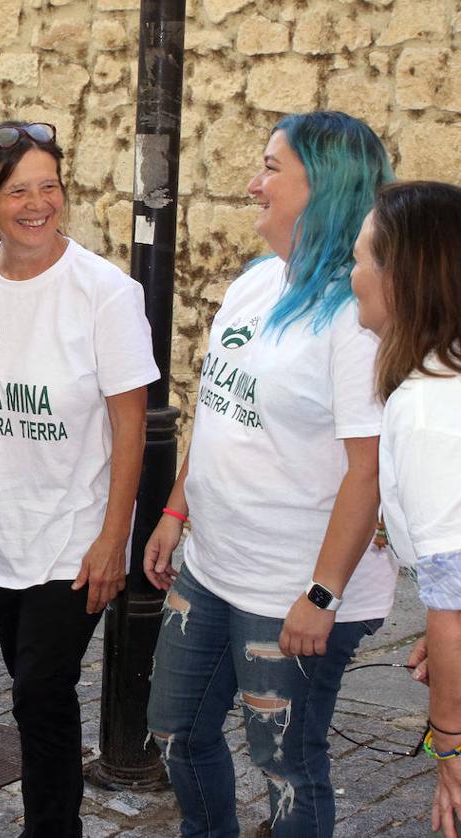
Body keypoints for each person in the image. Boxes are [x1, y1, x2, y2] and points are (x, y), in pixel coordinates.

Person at [143, 111, 398, 837]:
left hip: (292, 590)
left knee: (286, 766)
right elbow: (220, 406)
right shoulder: (258, 280)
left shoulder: (356, 318)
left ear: (322, 188)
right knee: (175, 733)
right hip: (212, 566)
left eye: (271, 169)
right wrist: (175, 510)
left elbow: (367, 473)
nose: (253, 184)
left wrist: (321, 595)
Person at [0, 120, 159, 836]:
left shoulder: (104, 293)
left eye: (50, 187)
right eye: (18, 191)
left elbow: (132, 423)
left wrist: (112, 538)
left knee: (40, 691)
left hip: (73, 534)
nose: (37, 204)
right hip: (0, 528)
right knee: (33, 690)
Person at [350, 180, 461, 838]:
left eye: (364, 258)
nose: (353, 274)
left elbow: (454, 602)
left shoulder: (426, 409)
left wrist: (449, 747)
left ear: (403, 278)